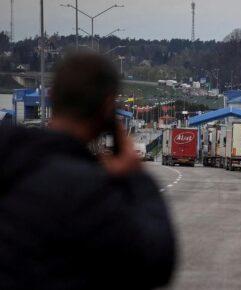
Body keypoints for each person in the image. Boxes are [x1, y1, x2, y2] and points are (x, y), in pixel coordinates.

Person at [0, 53, 176, 289]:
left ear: (53, 97)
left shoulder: (11, 159)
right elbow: (155, 261)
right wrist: (136, 177)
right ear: (107, 108)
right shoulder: (87, 190)